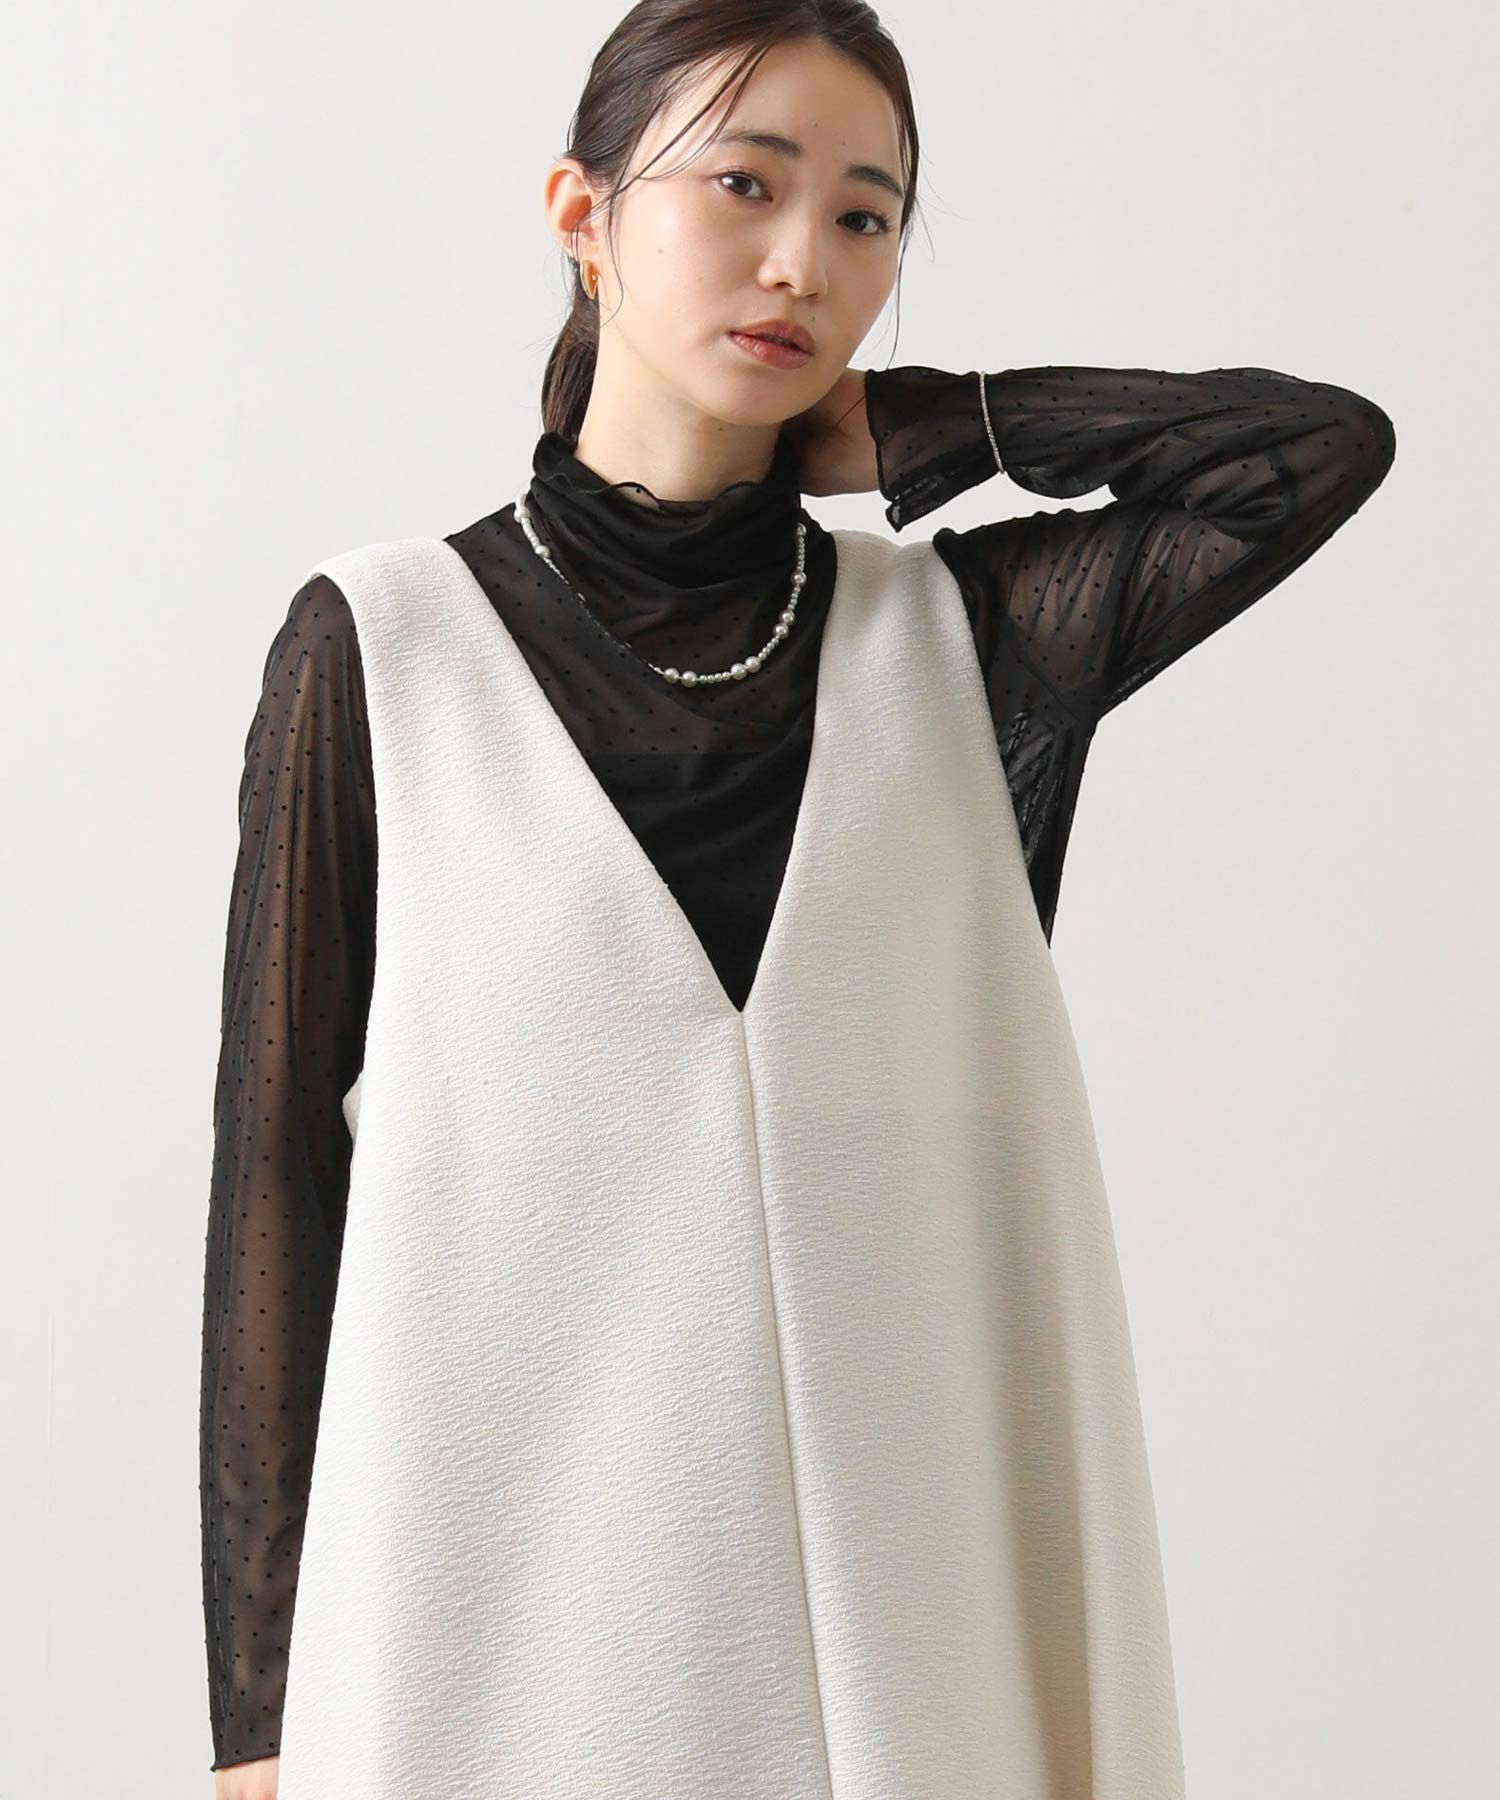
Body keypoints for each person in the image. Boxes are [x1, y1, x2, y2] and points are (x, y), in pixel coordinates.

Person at [199, 5, 1397, 1796]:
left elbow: (1312, 451)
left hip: (917, 1616)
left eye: (863, 215)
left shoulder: (962, 643)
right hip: (512, 1620)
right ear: (582, 214)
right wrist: (259, 1723)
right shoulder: (385, 650)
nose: (801, 263)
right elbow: (279, 1172)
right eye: (743, 186)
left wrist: (930, 425)